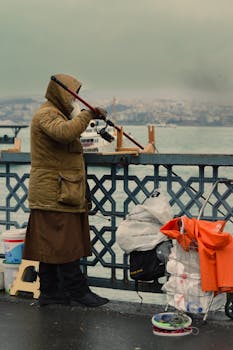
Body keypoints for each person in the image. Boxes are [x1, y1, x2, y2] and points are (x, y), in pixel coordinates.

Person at [23, 73, 109, 307]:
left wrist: (88, 115)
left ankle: (51, 293)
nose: (74, 101)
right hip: (54, 192)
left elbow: (68, 128)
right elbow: (65, 132)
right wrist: (88, 114)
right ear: (60, 94)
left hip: (59, 191)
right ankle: (78, 292)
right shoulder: (46, 114)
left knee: (51, 245)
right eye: (71, 97)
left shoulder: (56, 113)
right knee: (65, 244)